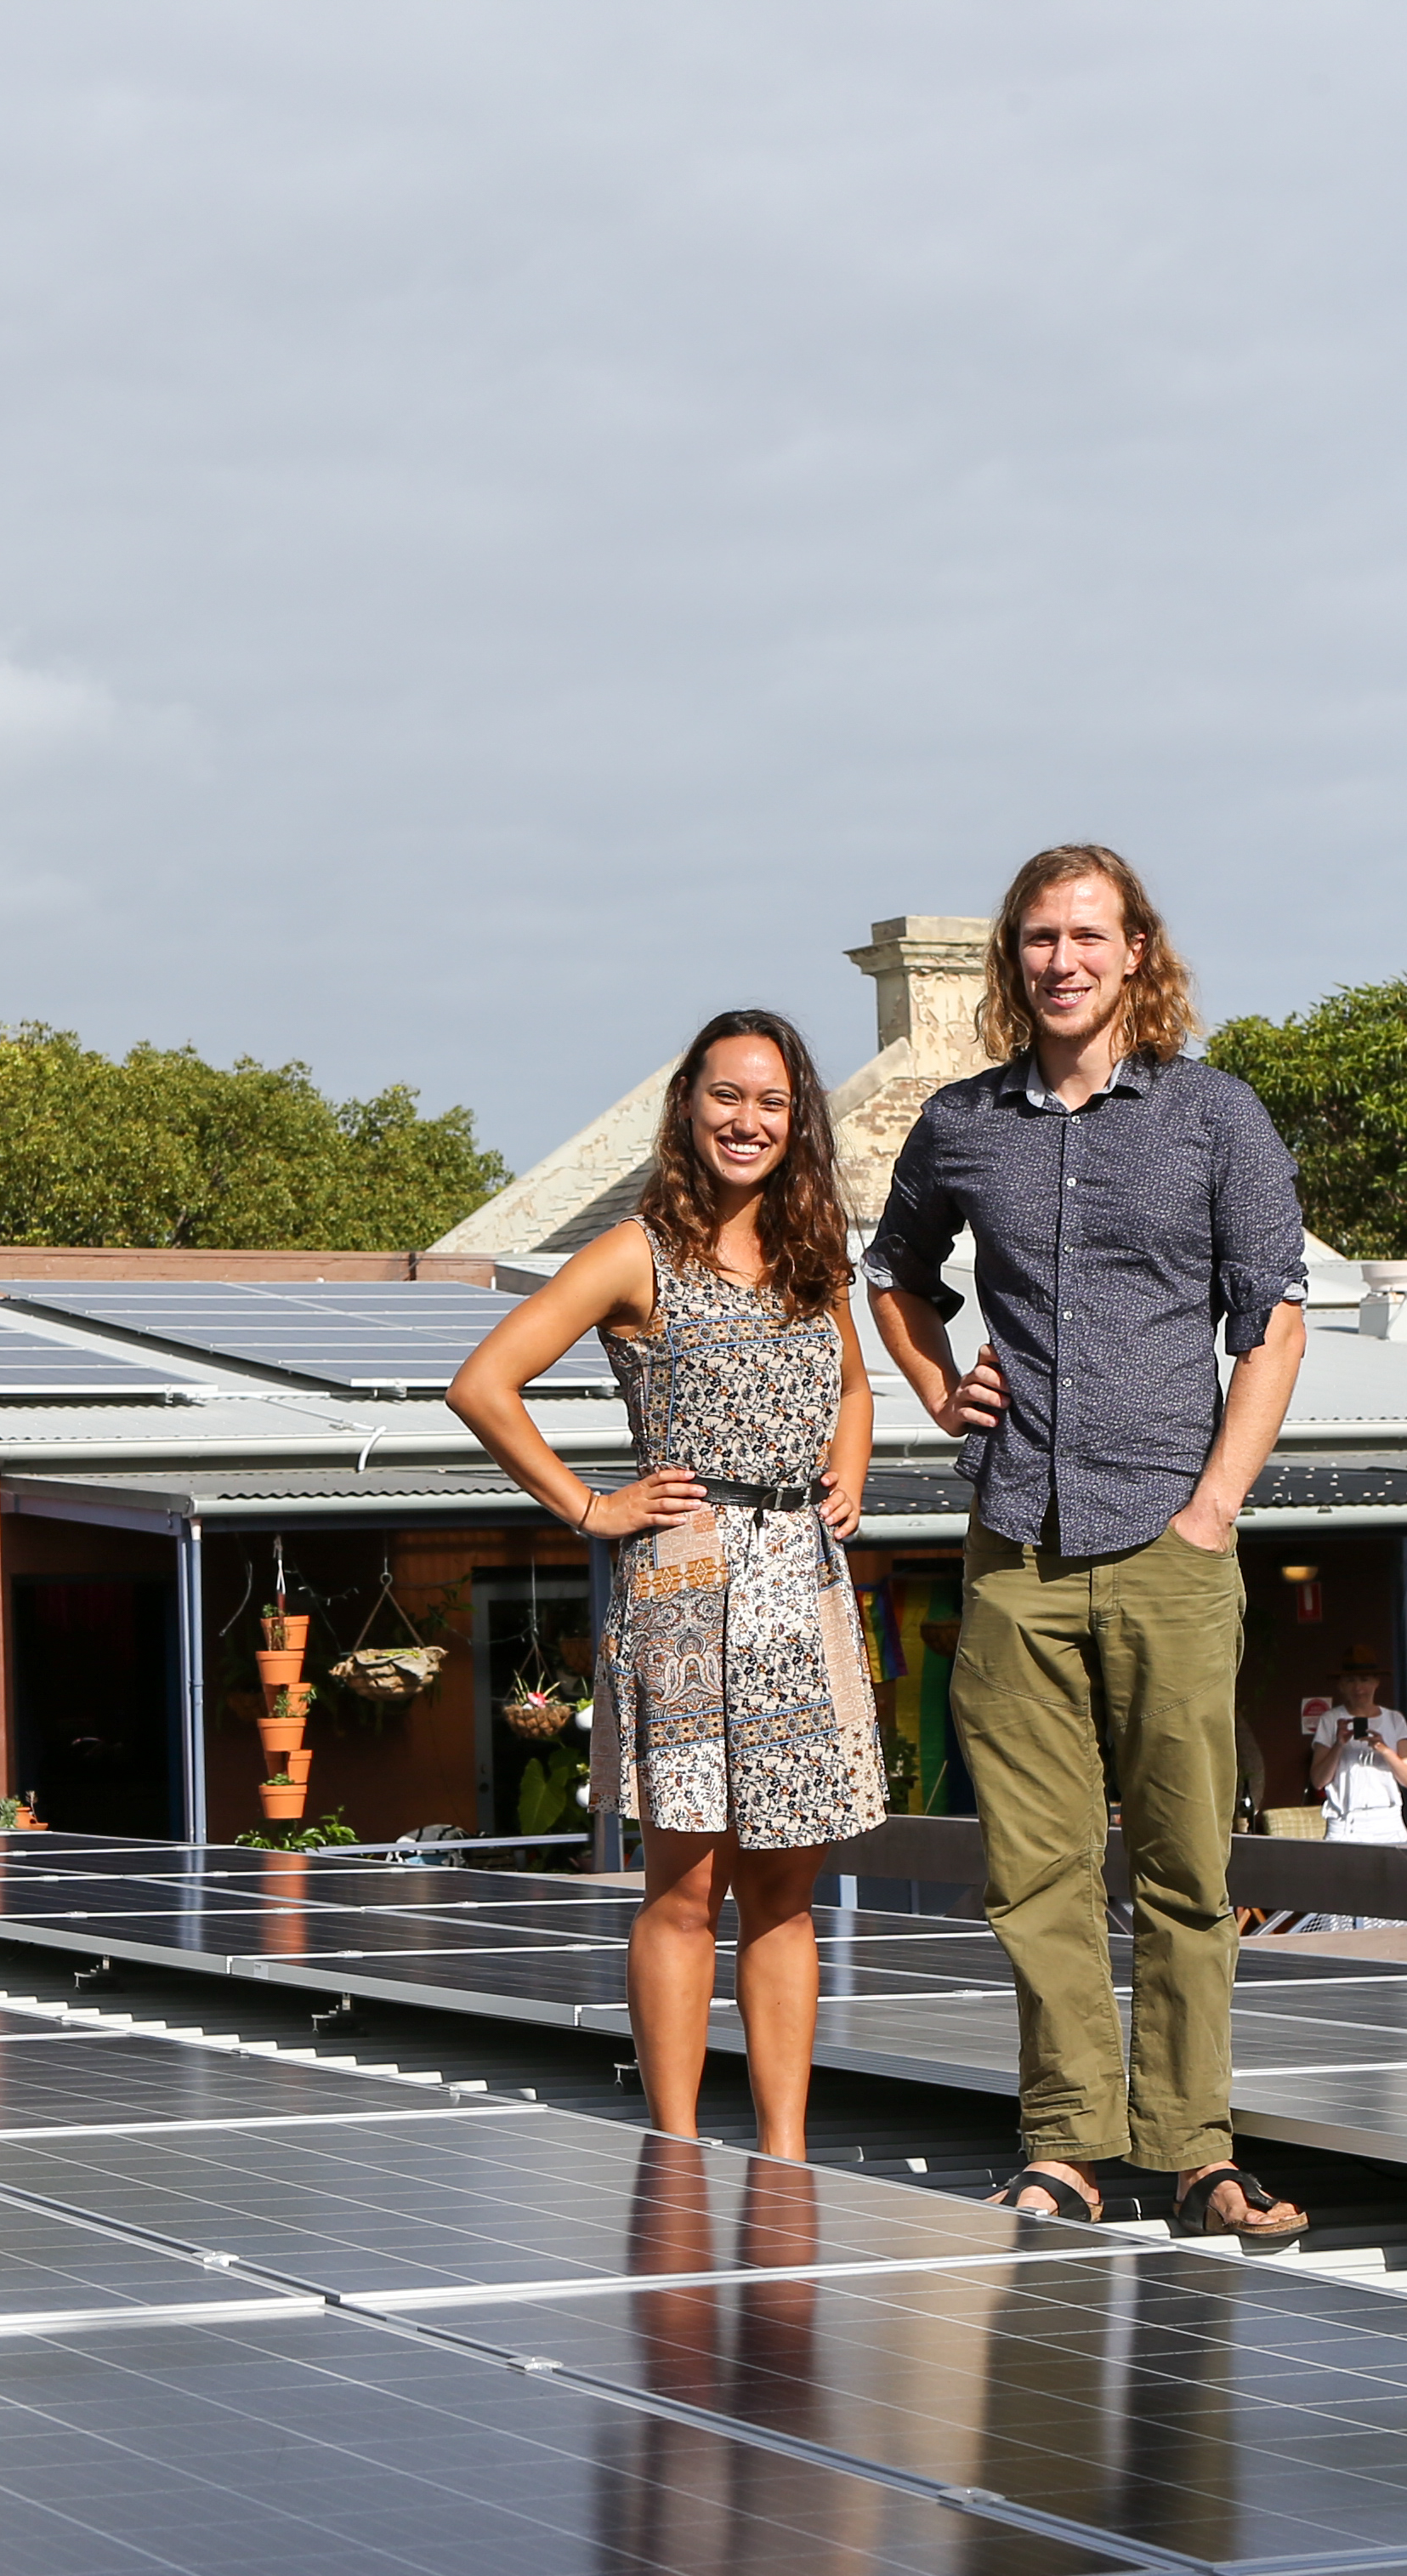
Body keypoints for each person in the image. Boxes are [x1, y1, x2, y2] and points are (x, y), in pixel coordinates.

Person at [866, 845, 1313, 2246]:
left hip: (1168, 1542)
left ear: (1134, 953)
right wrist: (942, 1391)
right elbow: (892, 1275)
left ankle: (1194, 2154)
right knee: (1035, 1869)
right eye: (1037, 938)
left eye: (1085, 935)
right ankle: (1063, 2143)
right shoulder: (958, 1125)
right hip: (1013, 1543)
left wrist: (1213, 1506)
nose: (1061, 959)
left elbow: (1272, 1321)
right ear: (1011, 961)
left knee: (1186, 1868)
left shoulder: (1211, 1117)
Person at [450, 1009, 883, 2158]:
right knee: (686, 1889)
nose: (749, 1120)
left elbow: (851, 1385)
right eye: (727, 1096)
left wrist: (848, 1465)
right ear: (687, 1105)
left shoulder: (814, 1248)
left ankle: (786, 2157)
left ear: (800, 1124)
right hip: (687, 1582)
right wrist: (593, 1507)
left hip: (803, 1584)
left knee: (785, 1895)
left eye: (773, 1102)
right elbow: (484, 1383)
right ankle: (678, 2154)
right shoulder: (635, 1251)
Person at [1304, 1648, 1407, 1842]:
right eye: (1350, 1681)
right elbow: (1318, 1781)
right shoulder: (1331, 1720)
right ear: (1341, 1686)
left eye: (1364, 1680)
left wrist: (1383, 1748)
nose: (1358, 1688)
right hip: (1345, 1822)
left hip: (1388, 1822)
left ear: (1376, 1682)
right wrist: (1339, 1745)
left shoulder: (1394, 1719)